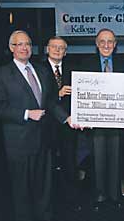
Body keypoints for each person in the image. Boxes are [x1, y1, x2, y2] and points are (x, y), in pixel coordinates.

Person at [0, 30, 75, 221]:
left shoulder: (41, 71)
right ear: (12, 48)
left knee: (44, 189)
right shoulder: (1, 74)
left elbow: (50, 102)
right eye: (19, 44)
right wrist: (27, 114)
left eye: (27, 44)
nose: (24, 48)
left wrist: (66, 118)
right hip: (18, 143)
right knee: (22, 192)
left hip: (43, 141)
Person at [79, 28, 124, 209]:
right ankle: (98, 196)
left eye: (110, 41)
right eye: (102, 42)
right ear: (97, 45)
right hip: (94, 122)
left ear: (115, 44)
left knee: (116, 159)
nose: (106, 45)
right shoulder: (84, 64)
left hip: (117, 122)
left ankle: (115, 197)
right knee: (97, 160)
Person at [43, 36, 83, 211]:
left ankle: (72, 202)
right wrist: (58, 94)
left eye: (61, 48)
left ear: (66, 52)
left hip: (69, 124)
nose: (58, 50)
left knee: (69, 163)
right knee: (47, 165)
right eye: (54, 47)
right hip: (45, 125)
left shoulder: (74, 69)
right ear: (47, 49)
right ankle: (50, 201)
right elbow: (41, 97)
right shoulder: (38, 69)